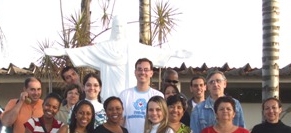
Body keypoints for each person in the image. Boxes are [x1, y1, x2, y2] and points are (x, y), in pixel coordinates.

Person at [45, 15, 190, 99]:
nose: (119, 30)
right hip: (109, 96)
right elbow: (84, 52)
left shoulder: (134, 47)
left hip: (132, 98)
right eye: (116, 27)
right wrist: (63, 51)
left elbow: (153, 52)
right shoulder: (103, 48)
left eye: (121, 27)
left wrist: (173, 54)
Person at [120, 58, 164, 133]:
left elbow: (161, 123)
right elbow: (121, 122)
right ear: (135, 72)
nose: (142, 72)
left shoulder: (158, 96)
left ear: (151, 73)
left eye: (146, 69)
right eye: (139, 69)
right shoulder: (125, 95)